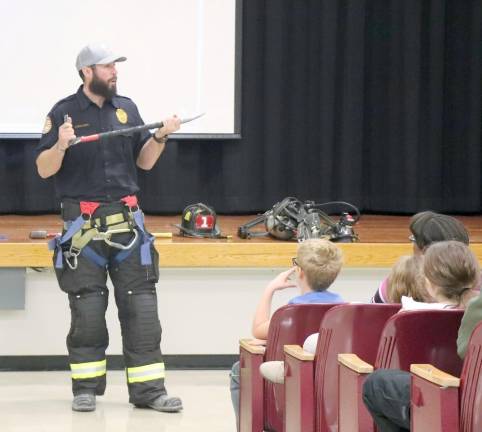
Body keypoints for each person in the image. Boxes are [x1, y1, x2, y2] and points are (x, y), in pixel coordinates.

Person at [35, 43, 182, 413]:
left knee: (143, 310)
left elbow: (144, 163)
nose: (114, 72)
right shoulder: (63, 113)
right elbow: (43, 169)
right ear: (87, 72)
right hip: (82, 231)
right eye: (107, 66)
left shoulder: (127, 108)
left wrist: (160, 136)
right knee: (87, 311)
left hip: (128, 226)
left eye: (115, 66)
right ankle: (85, 389)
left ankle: (150, 392)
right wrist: (62, 147)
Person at [362, 240, 480, 431]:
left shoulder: (407, 314)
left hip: (452, 399)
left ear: (429, 283)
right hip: (470, 396)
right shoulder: (472, 309)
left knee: (377, 384)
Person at [229, 239, 344, 430]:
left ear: (299, 271)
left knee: (237, 370)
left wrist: (270, 289)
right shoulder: (342, 309)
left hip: (288, 378)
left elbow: (258, 328)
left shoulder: (291, 311)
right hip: (327, 379)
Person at [371, 211, 469, 303]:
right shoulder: (475, 287)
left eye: (414, 239)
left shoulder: (392, 285)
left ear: (425, 251)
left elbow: (371, 317)